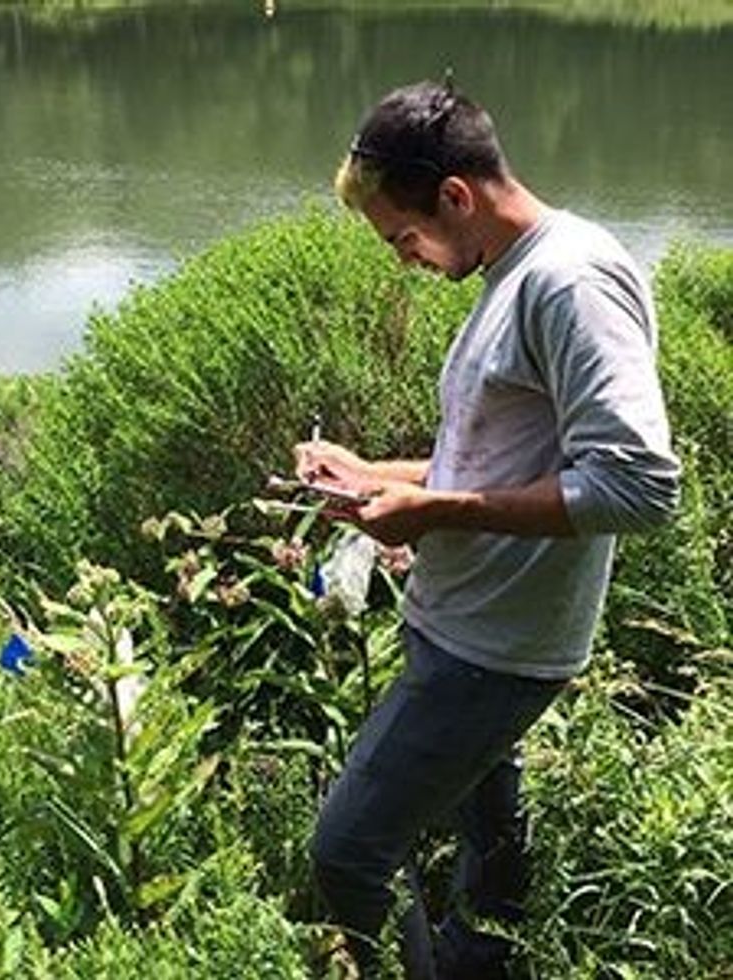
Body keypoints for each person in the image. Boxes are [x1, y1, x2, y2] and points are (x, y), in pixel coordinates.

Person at [293, 80, 680, 979]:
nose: (404, 260)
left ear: (457, 196)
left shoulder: (570, 281)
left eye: (404, 236)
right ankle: (485, 961)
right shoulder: (516, 275)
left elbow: (640, 486)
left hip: (492, 651)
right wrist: (375, 476)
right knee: (491, 845)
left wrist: (434, 513)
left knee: (346, 854)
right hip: (467, 629)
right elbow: (499, 460)